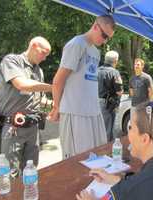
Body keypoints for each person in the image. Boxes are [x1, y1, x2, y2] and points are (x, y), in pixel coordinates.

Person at [76, 101, 153, 200]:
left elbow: (138, 186)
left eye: (131, 128)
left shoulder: (140, 185)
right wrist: (116, 179)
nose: (127, 134)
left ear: (144, 139)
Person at [49, 15, 115, 159]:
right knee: (77, 160)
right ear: (95, 26)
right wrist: (56, 107)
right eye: (104, 35)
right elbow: (58, 80)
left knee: (97, 156)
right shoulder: (76, 44)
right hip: (75, 112)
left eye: (108, 38)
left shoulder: (96, 52)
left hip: (93, 111)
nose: (104, 41)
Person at [0, 36, 53, 176]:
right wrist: (54, 87)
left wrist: (54, 104)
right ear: (33, 45)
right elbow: (21, 84)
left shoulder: (39, 70)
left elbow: (39, 98)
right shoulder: (12, 61)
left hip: (32, 127)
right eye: (44, 52)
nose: (45, 58)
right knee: (9, 173)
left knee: (30, 170)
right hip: (12, 127)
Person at [98, 50, 123, 141]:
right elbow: (119, 91)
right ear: (115, 61)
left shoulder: (97, 70)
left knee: (97, 128)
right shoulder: (114, 72)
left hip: (93, 103)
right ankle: (106, 151)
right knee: (108, 129)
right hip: (107, 105)